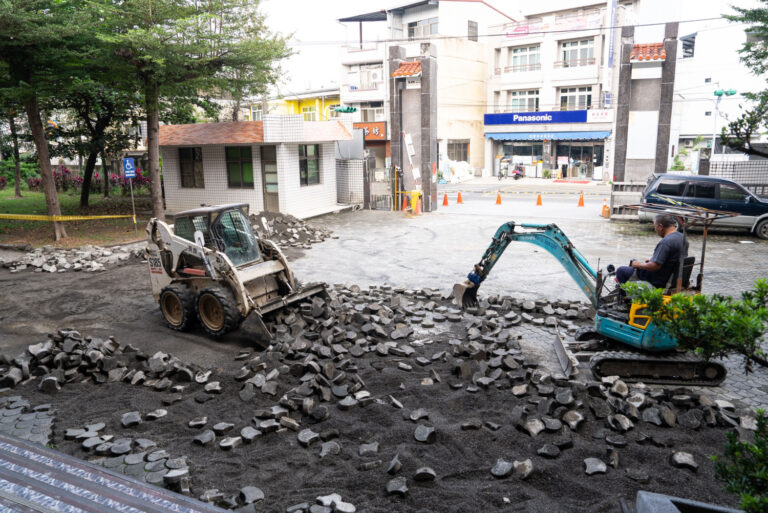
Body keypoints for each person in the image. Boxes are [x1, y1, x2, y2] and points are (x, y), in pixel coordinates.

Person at [616, 214, 688, 289]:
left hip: (658, 279)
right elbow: (670, 258)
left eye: (655, 226)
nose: (655, 230)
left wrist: (638, 265)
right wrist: (652, 260)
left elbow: (655, 266)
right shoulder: (682, 238)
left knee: (621, 270)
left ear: (660, 227)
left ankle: (625, 298)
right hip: (669, 274)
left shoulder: (666, 242)